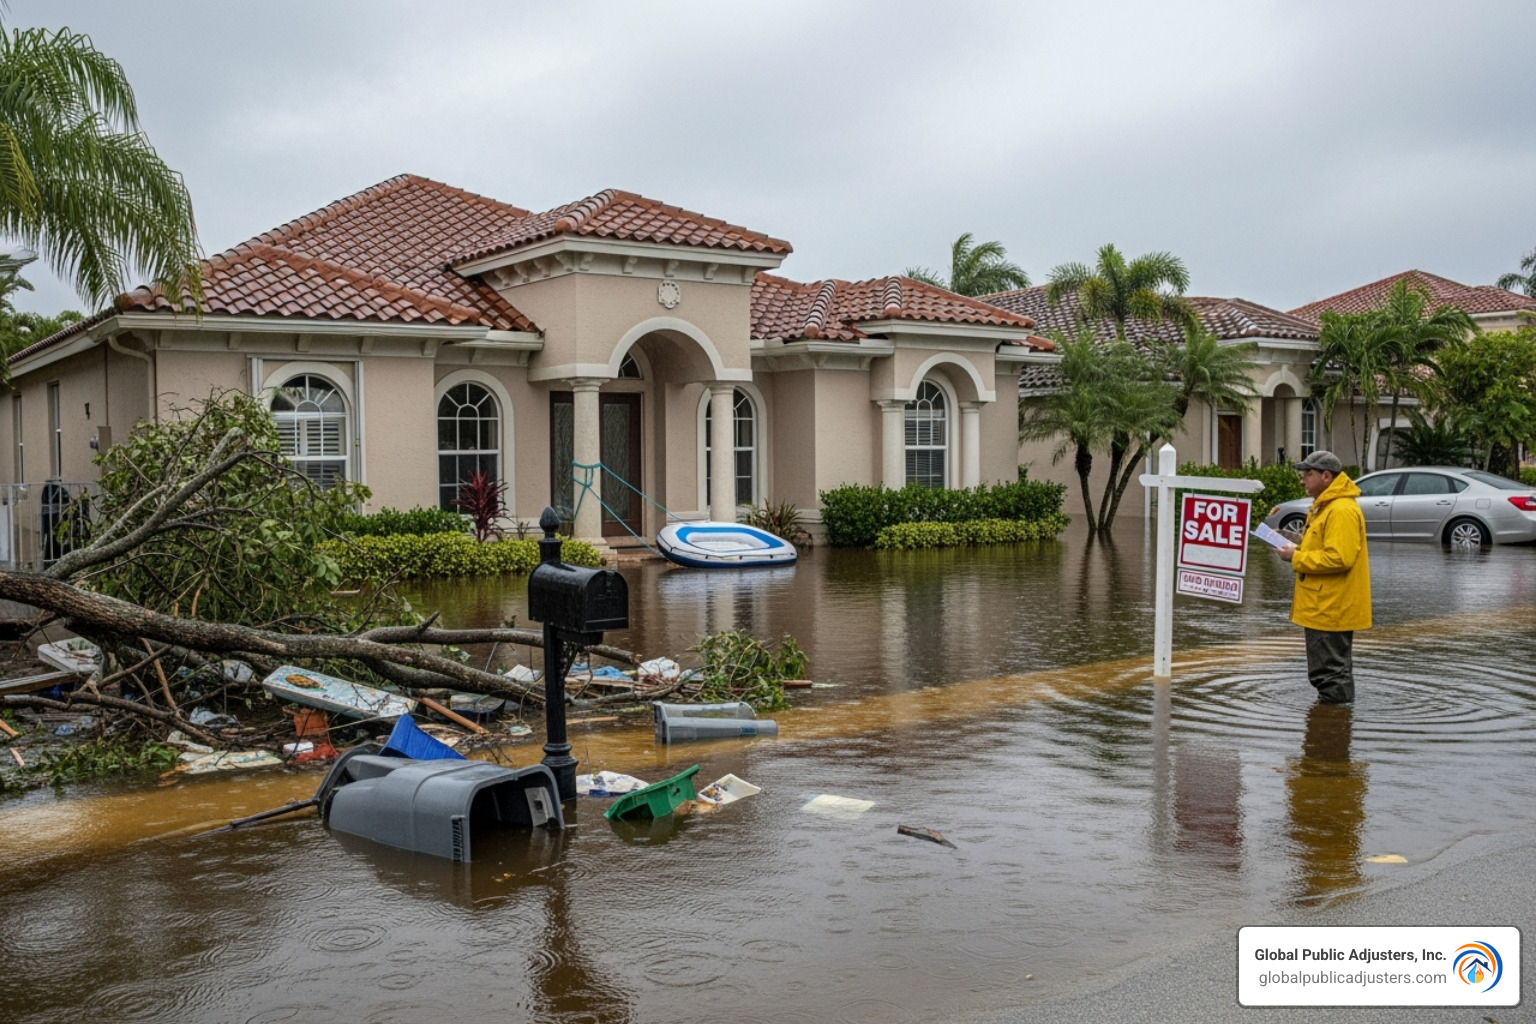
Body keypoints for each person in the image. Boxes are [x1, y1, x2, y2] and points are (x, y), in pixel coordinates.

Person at [1276, 450, 1371, 704]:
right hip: (1324, 605)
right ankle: (1332, 727)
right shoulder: (1326, 507)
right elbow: (1324, 548)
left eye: (1308, 474)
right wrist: (1295, 543)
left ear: (1326, 476)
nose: (1302, 479)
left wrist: (1294, 558)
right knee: (1328, 673)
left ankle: (1333, 730)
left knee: (1330, 675)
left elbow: (1340, 558)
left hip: (1331, 607)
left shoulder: (1340, 510)